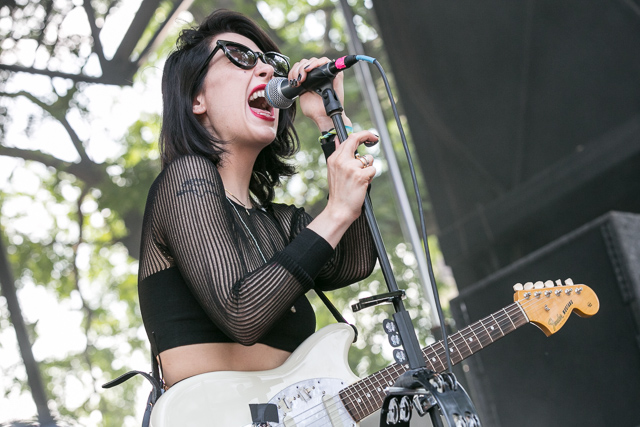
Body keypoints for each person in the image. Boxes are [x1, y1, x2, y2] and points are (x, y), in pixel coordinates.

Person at [137, 9, 378, 390]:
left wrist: (333, 122)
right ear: (196, 98)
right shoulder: (184, 179)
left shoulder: (279, 223)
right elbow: (242, 312)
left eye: (271, 63)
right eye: (241, 58)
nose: (267, 71)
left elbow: (356, 262)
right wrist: (336, 211)